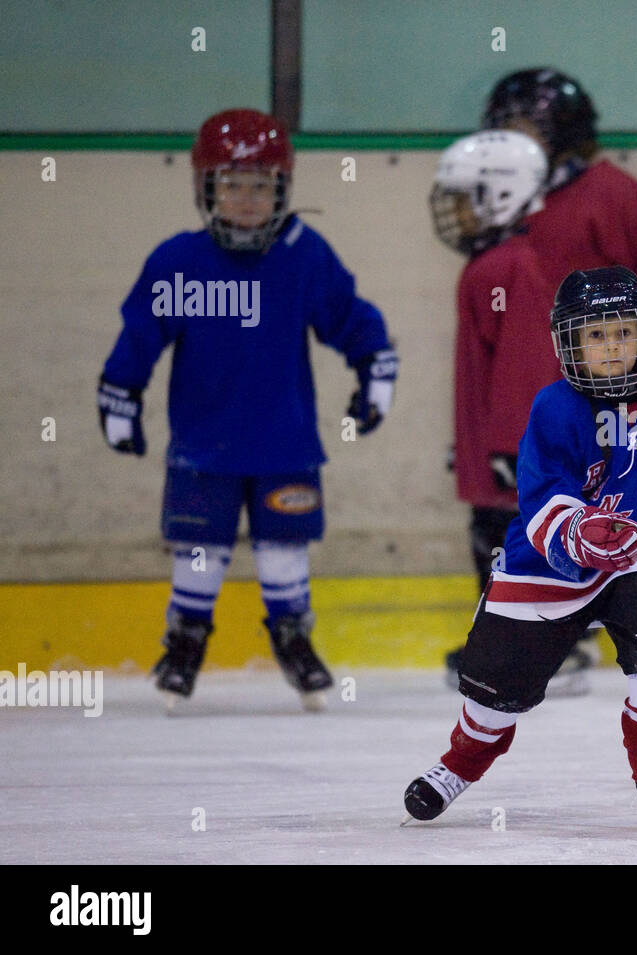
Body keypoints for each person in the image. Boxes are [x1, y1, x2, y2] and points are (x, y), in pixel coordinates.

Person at [437, 69, 637, 695]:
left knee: (613, 494)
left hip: (615, 386)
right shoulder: (516, 203)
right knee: (540, 509)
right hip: (557, 395)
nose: (510, 141)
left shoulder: (613, 194)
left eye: (524, 128)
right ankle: (544, 632)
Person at [98, 108, 397, 710]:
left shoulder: (303, 254)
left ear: (283, 189)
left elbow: (349, 316)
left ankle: (293, 638)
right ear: (205, 188)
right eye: (232, 185)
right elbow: (140, 333)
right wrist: (120, 394)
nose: (248, 199)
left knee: (283, 548)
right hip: (202, 445)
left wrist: (374, 370)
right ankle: (184, 644)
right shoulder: (177, 261)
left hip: (284, 442)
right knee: (199, 551)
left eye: (262, 186)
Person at [404, 267, 637, 829]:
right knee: (495, 695)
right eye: (595, 335)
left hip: (635, 552)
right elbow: (541, 494)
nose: (612, 346)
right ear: (569, 345)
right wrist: (577, 532)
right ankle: (458, 765)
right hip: (545, 563)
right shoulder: (554, 408)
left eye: (623, 332)